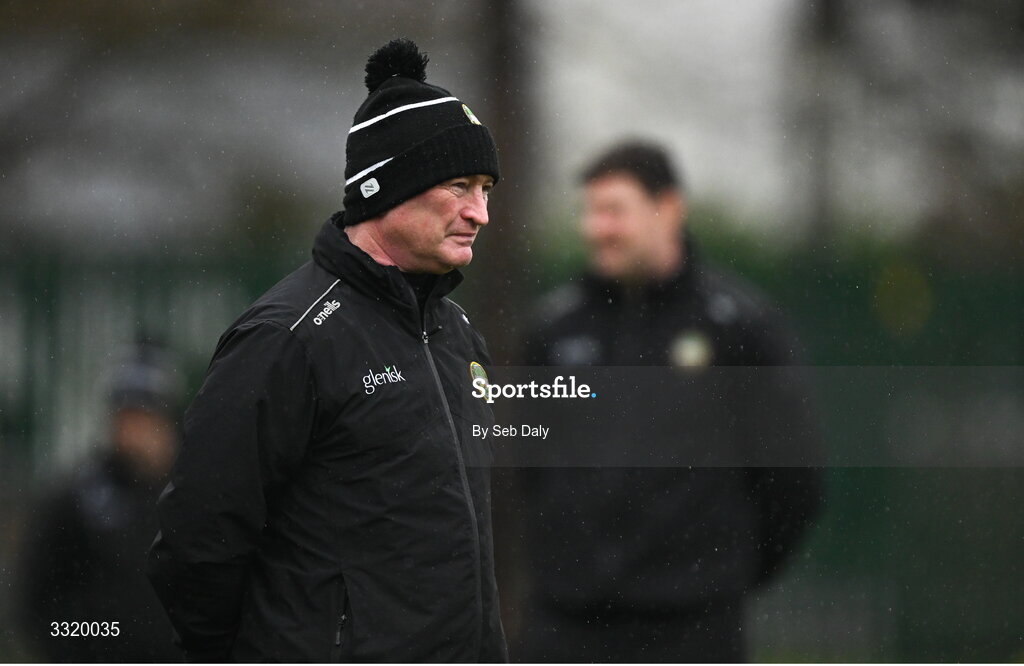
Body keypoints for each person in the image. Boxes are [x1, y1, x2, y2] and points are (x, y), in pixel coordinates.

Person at [146, 39, 507, 662]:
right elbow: (199, 540)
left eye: (485, 188)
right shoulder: (287, 336)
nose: (479, 212)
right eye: (458, 185)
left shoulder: (459, 334)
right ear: (387, 189)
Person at [515, 140, 823, 662]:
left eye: (614, 211)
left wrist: (723, 575)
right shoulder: (553, 329)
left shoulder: (740, 327)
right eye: (589, 212)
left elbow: (794, 477)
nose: (597, 229)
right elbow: (522, 464)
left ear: (668, 210)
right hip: (566, 626)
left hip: (693, 629)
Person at [17, 344, 183, 663]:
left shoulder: (194, 494)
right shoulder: (79, 500)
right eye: (126, 419)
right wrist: (101, 632)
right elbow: (37, 603)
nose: (135, 434)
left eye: (145, 419)